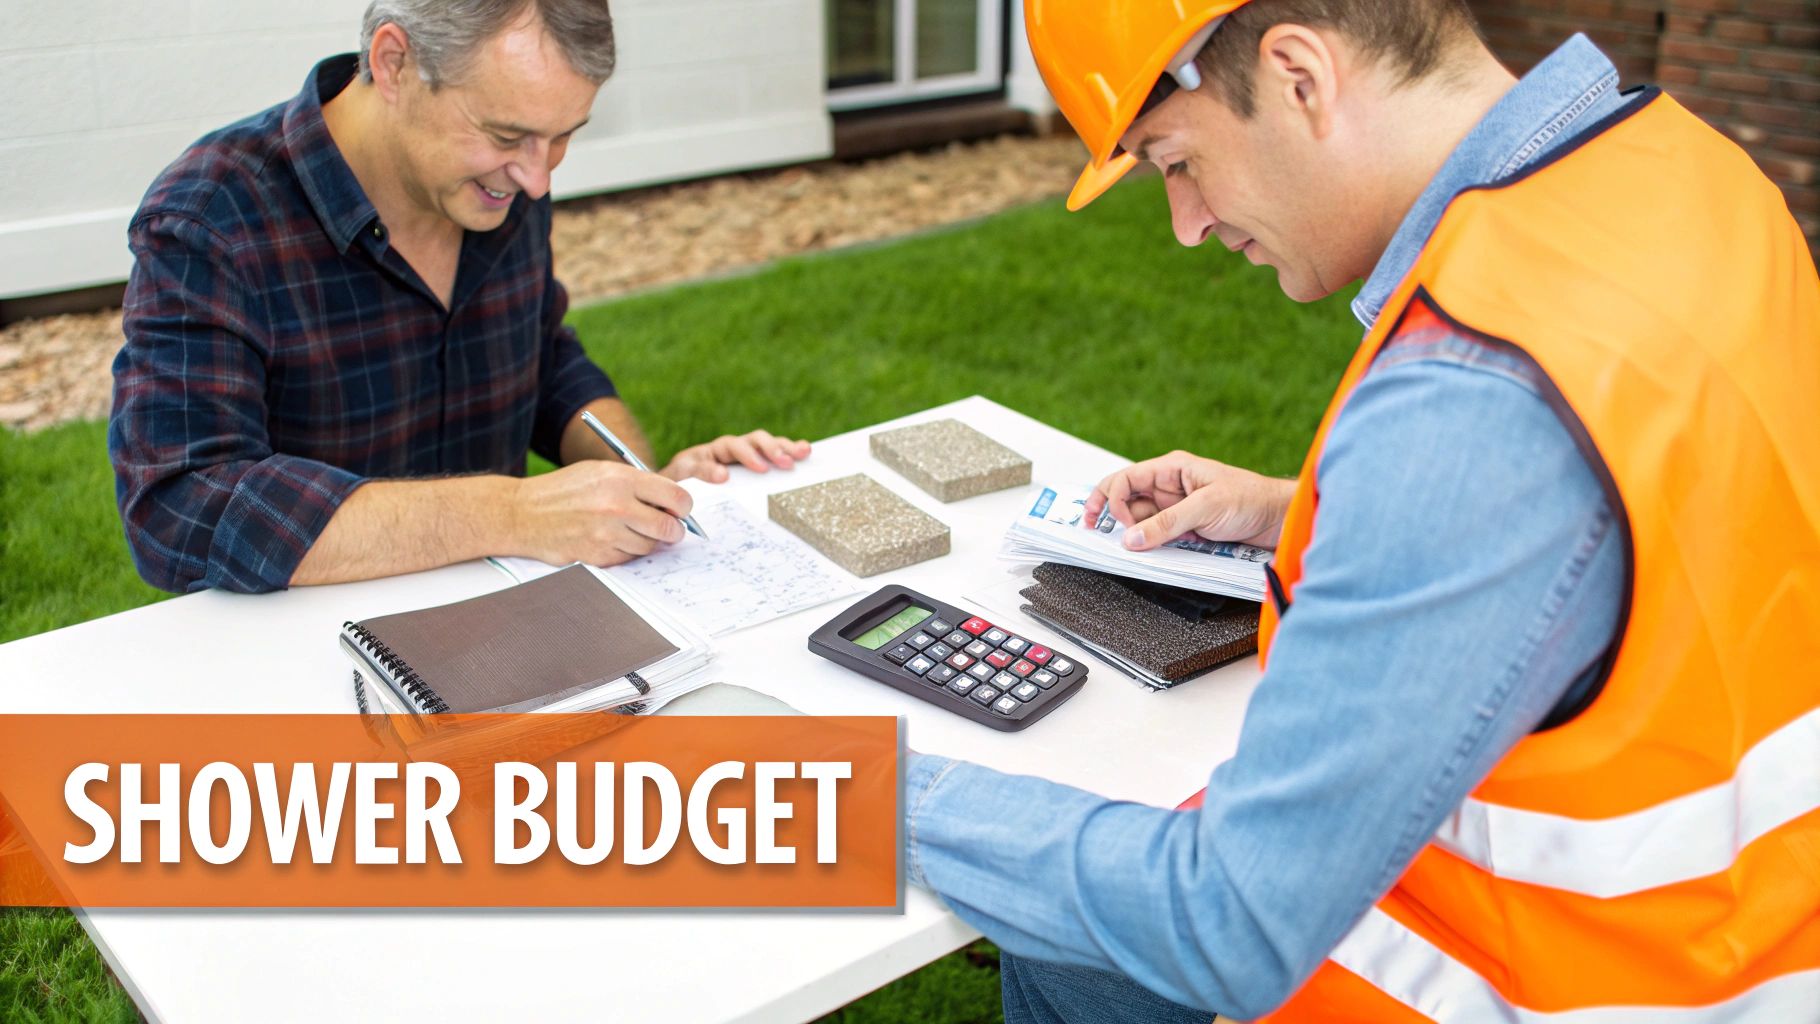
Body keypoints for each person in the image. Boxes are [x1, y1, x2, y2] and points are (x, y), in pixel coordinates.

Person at [905, 2, 1820, 1021]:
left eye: (1173, 161)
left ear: (1299, 76)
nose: (1186, 223)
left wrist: (864, 801)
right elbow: (1664, 493)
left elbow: (1227, 922)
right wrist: (1304, 509)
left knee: (1077, 925)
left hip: (1546, 982)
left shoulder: (1471, 397)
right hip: (1742, 937)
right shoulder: (1690, 174)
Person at [109, 0, 809, 595]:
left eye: (562, 137)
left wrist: (645, 490)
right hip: (309, 658)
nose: (536, 179)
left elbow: (542, 360)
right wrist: (513, 513)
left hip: (500, 625)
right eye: (508, 135)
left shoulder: (496, 182)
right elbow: (181, 508)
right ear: (393, 64)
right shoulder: (211, 217)